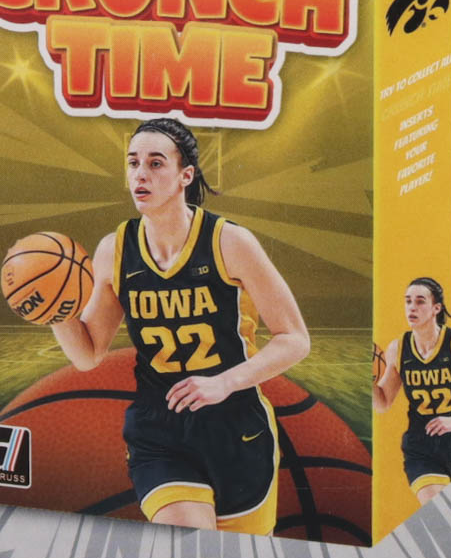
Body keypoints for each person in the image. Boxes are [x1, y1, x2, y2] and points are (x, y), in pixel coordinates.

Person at [52, 118, 310, 534]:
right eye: (133, 163)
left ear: (185, 175)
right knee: (189, 550)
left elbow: (295, 339)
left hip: (236, 428)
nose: (140, 174)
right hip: (160, 431)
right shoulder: (114, 250)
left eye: (156, 163)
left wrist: (224, 382)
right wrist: (55, 312)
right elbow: (88, 354)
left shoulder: (229, 242)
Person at [373, 278, 451, 505]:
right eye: (408, 301)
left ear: (436, 308)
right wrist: (366, 380)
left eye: (420, 301)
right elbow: (383, 402)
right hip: (422, 448)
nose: (412, 307)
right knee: (439, 509)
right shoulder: (398, 348)